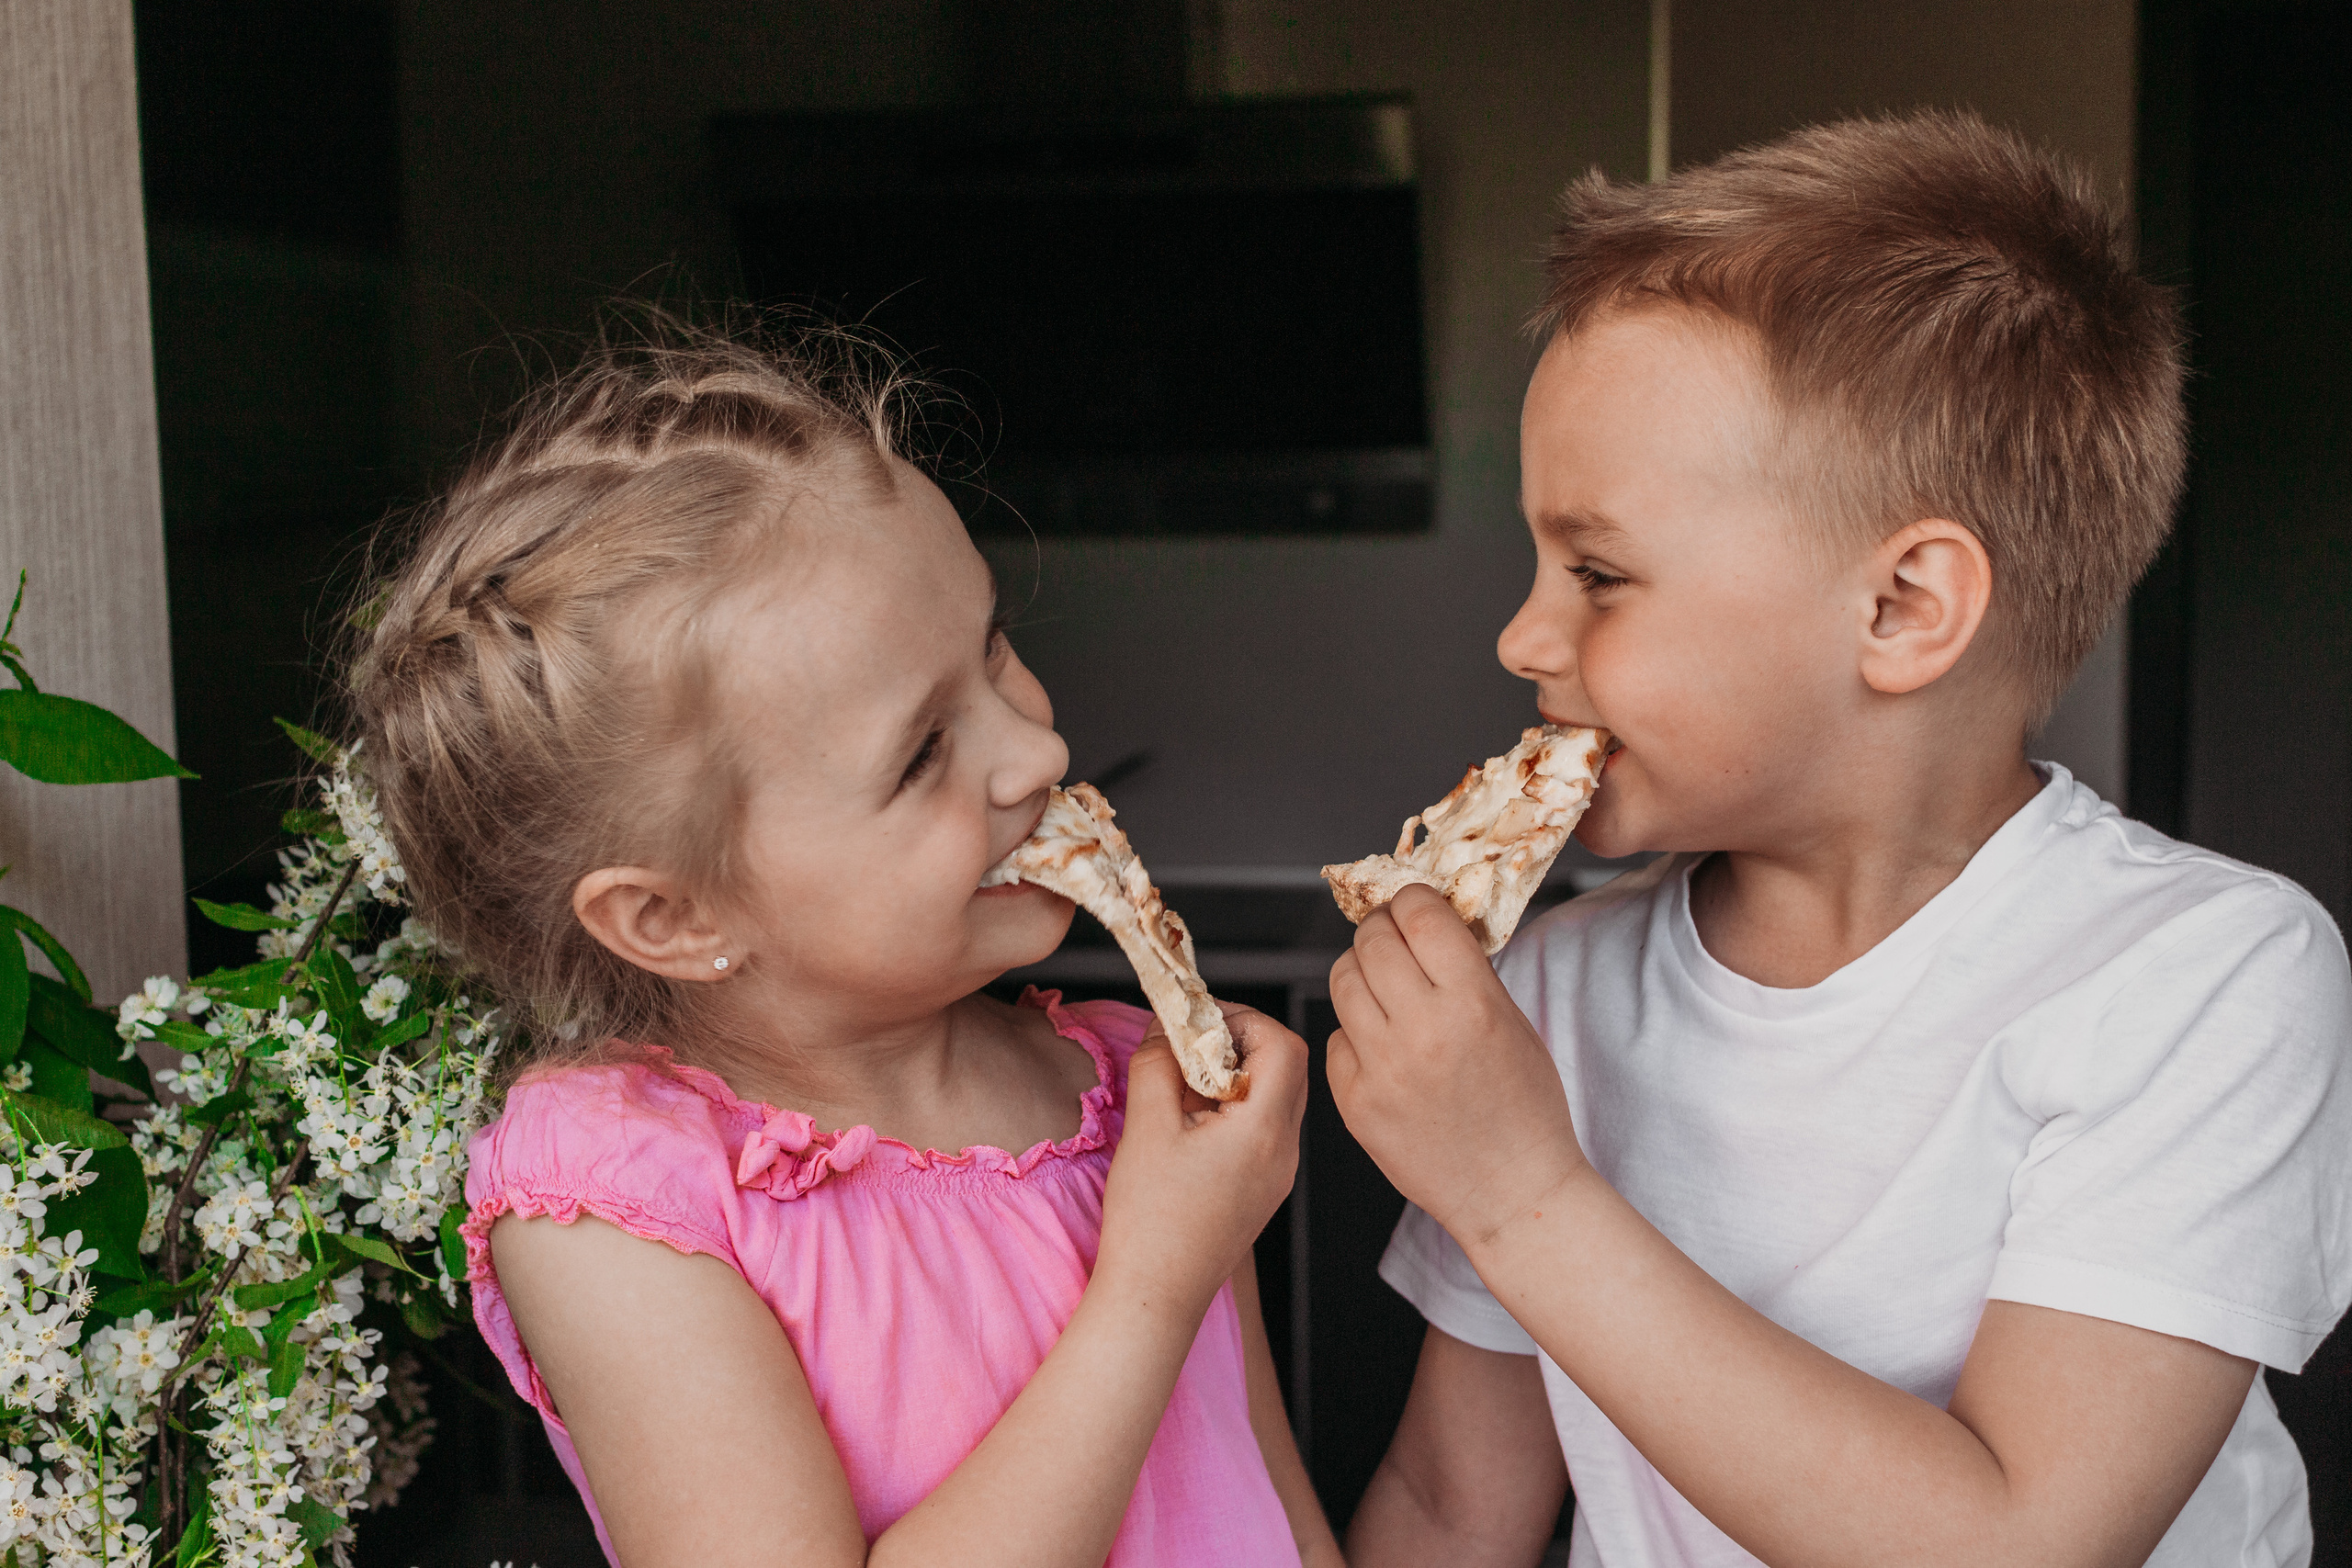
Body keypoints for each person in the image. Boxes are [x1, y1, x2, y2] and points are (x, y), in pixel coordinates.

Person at [1335, 110, 2352, 1568]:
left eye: (1601, 572)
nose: (1522, 634)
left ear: (1902, 610)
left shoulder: (2201, 977)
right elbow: (1452, 1504)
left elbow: (2023, 1541)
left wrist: (1521, 1192)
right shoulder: (1554, 993)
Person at [346, 322, 1339, 1568]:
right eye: (922, 753)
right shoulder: (624, 1207)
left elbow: (1271, 1512)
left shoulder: (1137, 1096)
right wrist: (1153, 1282)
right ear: (676, 917)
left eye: (994, 648)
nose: (1035, 754)